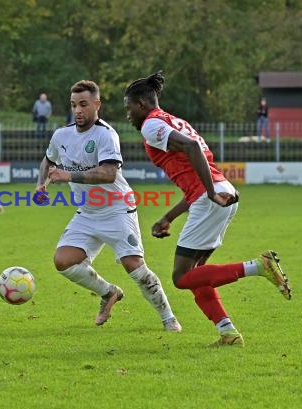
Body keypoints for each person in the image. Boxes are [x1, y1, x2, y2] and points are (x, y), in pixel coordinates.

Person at [124, 71, 291, 347]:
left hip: (212, 197)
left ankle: (259, 266)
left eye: (128, 108)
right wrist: (169, 216)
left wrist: (211, 193)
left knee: (181, 277)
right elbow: (194, 171)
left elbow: (191, 148)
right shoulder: (172, 120)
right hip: (219, 192)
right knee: (196, 274)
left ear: (141, 104)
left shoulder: (151, 125)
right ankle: (228, 333)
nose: (128, 115)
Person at [35, 80, 182, 331]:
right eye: (73, 105)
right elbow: (48, 160)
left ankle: (168, 318)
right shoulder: (62, 135)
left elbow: (108, 173)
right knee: (63, 261)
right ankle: (108, 292)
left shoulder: (105, 134)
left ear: (97, 104)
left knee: (134, 267)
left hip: (117, 210)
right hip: (87, 213)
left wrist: (68, 176)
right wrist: (41, 186)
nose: (78, 110)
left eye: (83, 104)